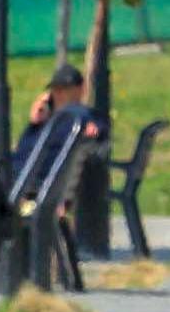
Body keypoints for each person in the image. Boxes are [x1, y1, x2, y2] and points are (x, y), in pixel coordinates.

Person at [41, 63, 117, 257]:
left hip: (50, 182)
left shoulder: (77, 117)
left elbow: (99, 133)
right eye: (55, 90)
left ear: (79, 90)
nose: (58, 95)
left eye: (63, 90)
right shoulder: (57, 117)